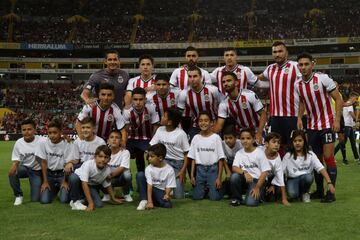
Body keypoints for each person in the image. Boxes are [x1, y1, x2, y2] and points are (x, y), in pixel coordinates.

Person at [296, 53, 343, 202]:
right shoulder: (297, 85)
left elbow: (339, 98)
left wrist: (337, 121)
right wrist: (299, 117)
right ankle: (319, 190)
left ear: (313, 64)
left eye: (306, 64)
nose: (303, 67)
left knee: (328, 157)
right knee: (316, 159)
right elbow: (303, 102)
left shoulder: (322, 79)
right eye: (301, 65)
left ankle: (331, 192)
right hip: (311, 126)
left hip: (327, 125)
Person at [258, 41, 301, 156]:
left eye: (280, 51)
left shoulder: (295, 66)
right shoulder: (270, 69)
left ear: (286, 52)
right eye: (274, 52)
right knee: (275, 147)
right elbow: (257, 80)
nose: (277, 54)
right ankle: (279, 172)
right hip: (275, 116)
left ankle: (294, 172)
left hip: (292, 116)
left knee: (293, 147)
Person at [282, 130, 335, 203]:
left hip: (305, 178)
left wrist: (329, 182)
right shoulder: (288, 156)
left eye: (300, 140)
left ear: (304, 141)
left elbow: (321, 168)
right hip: (292, 179)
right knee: (293, 194)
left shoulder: (310, 154)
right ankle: (299, 194)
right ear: (292, 142)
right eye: (295, 141)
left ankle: (305, 192)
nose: (297, 143)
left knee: (308, 177)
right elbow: (281, 172)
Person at [214, 71, 267, 144]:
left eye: (229, 81)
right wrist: (205, 133)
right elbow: (219, 126)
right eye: (223, 82)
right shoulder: (223, 104)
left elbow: (263, 114)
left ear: (236, 83)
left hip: (257, 130)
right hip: (241, 134)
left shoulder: (249, 95)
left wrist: (259, 133)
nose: (226, 84)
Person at [68, 145, 124, 211]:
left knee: (99, 204)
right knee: (74, 178)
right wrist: (91, 203)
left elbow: (107, 184)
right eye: (100, 156)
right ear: (95, 157)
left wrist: (113, 198)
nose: (103, 159)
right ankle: (75, 201)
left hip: (89, 185)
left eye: (106, 157)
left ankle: (81, 199)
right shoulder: (88, 164)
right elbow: (84, 183)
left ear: (109, 159)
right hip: (80, 182)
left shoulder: (107, 169)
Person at [150, 108, 190, 199]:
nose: (162, 117)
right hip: (163, 162)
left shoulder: (181, 134)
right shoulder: (160, 130)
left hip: (177, 164)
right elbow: (152, 146)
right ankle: (163, 187)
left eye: (164, 116)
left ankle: (176, 189)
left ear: (169, 122)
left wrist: (183, 171)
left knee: (179, 197)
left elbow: (186, 154)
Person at [177, 66, 222, 140]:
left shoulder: (212, 90)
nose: (192, 79)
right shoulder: (184, 93)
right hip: (196, 126)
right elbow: (179, 114)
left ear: (201, 77)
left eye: (195, 76)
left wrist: (218, 125)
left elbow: (222, 106)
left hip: (213, 125)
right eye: (190, 76)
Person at [36, 119, 74, 204]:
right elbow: (43, 162)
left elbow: (67, 164)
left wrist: (64, 181)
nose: (52, 135)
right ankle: (54, 189)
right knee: (44, 201)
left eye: (55, 132)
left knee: (64, 200)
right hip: (49, 175)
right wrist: (45, 182)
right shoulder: (43, 143)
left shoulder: (66, 144)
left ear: (60, 132)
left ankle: (62, 187)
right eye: (50, 133)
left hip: (62, 175)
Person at [188, 112, 225, 201]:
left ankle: (221, 188)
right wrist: (192, 175)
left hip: (212, 169)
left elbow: (221, 159)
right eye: (200, 121)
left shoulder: (216, 138)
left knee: (214, 198)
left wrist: (219, 178)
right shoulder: (196, 138)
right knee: (196, 197)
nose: (203, 123)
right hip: (200, 170)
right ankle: (205, 188)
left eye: (206, 120)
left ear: (211, 123)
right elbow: (193, 158)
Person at [230, 128, 271, 207]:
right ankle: (237, 199)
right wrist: (244, 172)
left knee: (250, 203)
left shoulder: (259, 152)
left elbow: (265, 172)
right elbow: (234, 167)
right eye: (242, 138)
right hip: (246, 179)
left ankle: (261, 194)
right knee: (234, 176)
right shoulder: (239, 153)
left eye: (248, 138)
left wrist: (257, 187)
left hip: (258, 181)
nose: (245, 141)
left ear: (253, 139)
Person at [8, 119, 45, 205]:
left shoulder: (42, 140)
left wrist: (65, 139)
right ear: (21, 131)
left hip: (37, 171)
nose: (26, 132)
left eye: (29, 129)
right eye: (24, 130)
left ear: (34, 130)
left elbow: (55, 141)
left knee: (35, 199)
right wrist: (14, 165)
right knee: (12, 172)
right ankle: (18, 196)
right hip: (25, 168)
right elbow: (16, 158)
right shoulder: (18, 142)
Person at [123, 87, 160, 173]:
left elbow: (155, 126)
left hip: (147, 139)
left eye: (141, 99)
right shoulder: (127, 111)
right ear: (132, 99)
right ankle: (128, 179)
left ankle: (150, 177)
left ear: (145, 99)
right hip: (131, 139)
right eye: (135, 99)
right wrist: (125, 142)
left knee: (151, 160)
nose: (138, 102)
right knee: (126, 159)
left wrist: (153, 141)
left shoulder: (151, 108)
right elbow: (125, 129)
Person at [136, 143, 176, 210]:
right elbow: (149, 185)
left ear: (160, 158)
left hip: (160, 191)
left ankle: (153, 201)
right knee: (140, 175)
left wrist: (167, 194)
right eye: (149, 156)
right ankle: (144, 200)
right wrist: (149, 201)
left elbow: (170, 185)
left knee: (168, 205)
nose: (149, 158)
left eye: (152, 156)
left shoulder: (170, 170)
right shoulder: (148, 168)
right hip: (150, 188)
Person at [102, 130, 133, 203]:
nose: (114, 139)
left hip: (118, 177)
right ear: (108, 140)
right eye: (112, 137)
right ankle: (106, 194)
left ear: (121, 141)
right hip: (107, 178)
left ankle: (126, 194)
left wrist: (110, 176)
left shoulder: (125, 152)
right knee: (100, 173)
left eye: (117, 137)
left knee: (127, 174)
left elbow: (122, 167)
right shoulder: (104, 152)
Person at [263, 132, 289, 206]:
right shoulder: (259, 153)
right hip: (259, 178)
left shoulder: (278, 158)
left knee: (272, 199)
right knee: (259, 198)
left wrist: (284, 199)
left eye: (278, 142)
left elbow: (280, 178)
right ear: (266, 144)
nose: (277, 144)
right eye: (274, 142)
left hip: (272, 178)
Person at [335, 92, 360, 164]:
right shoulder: (349, 104)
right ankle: (333, 154)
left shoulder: (349, 104)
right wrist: (357, 120)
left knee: (353, 142)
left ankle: (357, 158)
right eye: (356, 98)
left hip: (349, 125)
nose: (356, 100)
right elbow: (351, 114)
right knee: (343, 142)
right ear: (352, 97)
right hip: (346, 126)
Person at [221, 124, 242, 198]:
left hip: (239, 165)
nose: (228, 140)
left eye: (230, 138)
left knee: (235, 177)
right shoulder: (222, 144)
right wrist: (228, 171)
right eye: (226, 138)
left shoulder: (240, 144)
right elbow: (222, 158)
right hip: (228, 163)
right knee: (229, 178)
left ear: (236, 138)